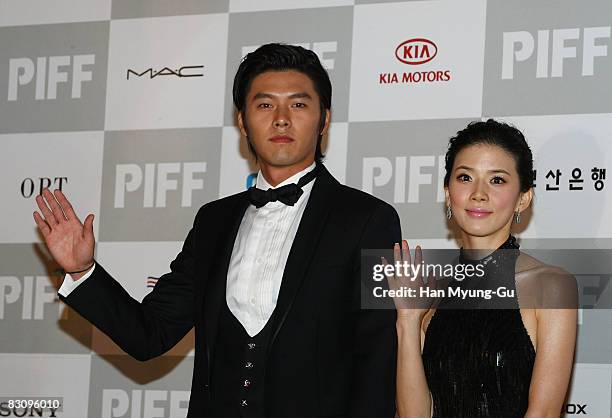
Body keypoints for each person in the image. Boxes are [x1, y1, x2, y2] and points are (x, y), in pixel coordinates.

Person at [33, 43, 401, 418]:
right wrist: (83, 271)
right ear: (242, 121)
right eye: (264, 104)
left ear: (324, 120)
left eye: (299, 104)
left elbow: (377, 360)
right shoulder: (213, 222)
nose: (281, 119)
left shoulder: (368, 220)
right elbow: (150, 334)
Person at [389, 119, 577, 418]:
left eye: (497, 180)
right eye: (465, 177)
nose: (478, 193)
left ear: (523, 198)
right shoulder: (430, 293)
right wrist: (408, 321)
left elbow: (543, 413)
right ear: (448, 194)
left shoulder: (550, 286)